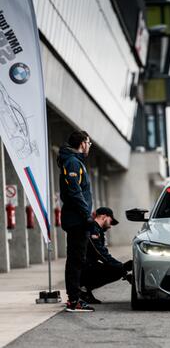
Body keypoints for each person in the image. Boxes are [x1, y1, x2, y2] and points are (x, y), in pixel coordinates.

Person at [57, 130, 95, 312]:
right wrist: (86, 214)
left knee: (77, 260)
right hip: (77, 220)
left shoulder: (75, 161)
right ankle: (74, 300)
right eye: (88, 143)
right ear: (82, 143)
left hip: (78, 218)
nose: (89, 146)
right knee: (75, 260)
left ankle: (75, 298)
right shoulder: (72, 162)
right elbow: (74, 191)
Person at [80, 207, 133, 304]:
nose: (110, 226)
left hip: (89, 265)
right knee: (117, 270)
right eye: (110, 221)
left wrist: (122, 268)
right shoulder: (92, 228)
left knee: (118, 269)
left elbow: (103, 254)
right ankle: (83, 289)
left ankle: (85, 290)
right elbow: (100, 253)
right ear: (104, 216)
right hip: (83, 267)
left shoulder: (97, 230)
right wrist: (121, 268)